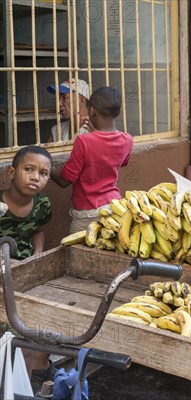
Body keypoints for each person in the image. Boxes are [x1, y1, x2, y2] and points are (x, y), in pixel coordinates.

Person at [0, 145, 52, 377]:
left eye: (43, 173)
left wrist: (37, 255)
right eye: (29, 169)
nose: (35, 177)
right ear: (11, 173)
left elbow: (39, 230)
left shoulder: (42, 205)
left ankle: (35, 374)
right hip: (3, 274)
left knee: (42, 324)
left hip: (27, 274)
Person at [51, 87, 133, 233]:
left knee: (77, 254)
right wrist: (95, 134)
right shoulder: (127, 140)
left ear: (92, 111)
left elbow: (65, 180)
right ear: (118, 113)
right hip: (114, 209)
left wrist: (45, 163)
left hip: (87, 216)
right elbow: (120, 160)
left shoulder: (84, 141)